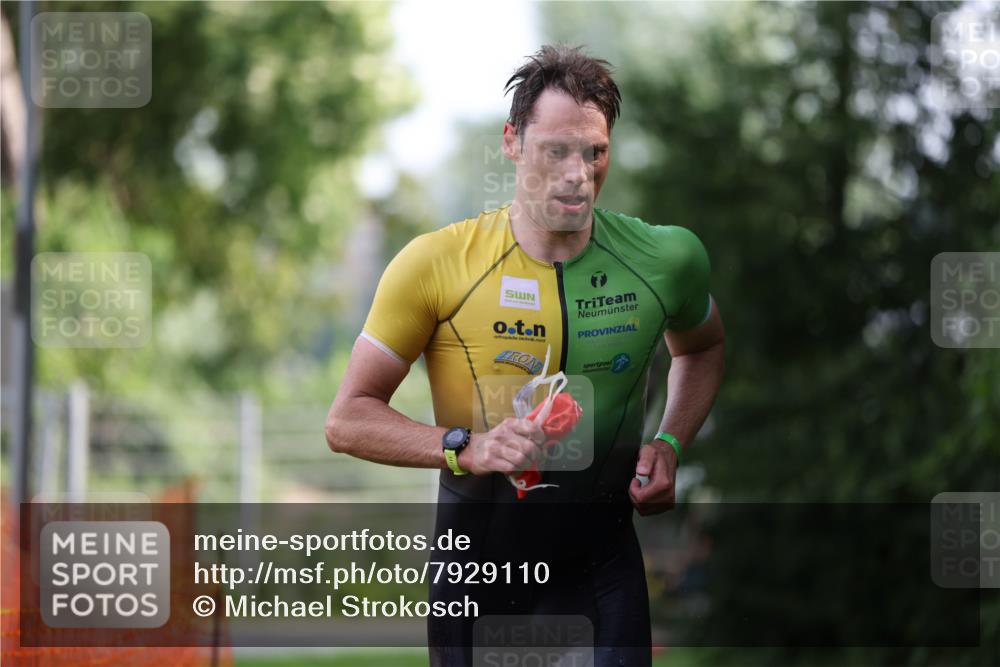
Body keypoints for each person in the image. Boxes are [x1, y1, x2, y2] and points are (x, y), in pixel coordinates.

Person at [325, 44, 725, 667]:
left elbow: (702, 348)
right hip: (477, 571)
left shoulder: (665, 259)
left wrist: (670, 443)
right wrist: (466, 445)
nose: (578, 173)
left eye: (595, 151)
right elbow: (347, 419)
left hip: (603, 566)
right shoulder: (437, 264)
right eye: (556, 150)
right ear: (512, 142)